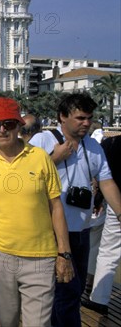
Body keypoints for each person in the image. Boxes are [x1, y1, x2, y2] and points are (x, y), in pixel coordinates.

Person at [0, 97, 73, 327]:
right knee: (3, 322)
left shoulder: (40, 158)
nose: (2, 130)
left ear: (19, 125)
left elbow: (56, 205)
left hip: (40, 257)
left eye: (8, 123)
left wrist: (63, 253)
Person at [29, 92, 121, 326]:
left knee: (73, 288)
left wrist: (120, 212)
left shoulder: (93, 146)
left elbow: (106, 181)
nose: (87, 123)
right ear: (62, 117)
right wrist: (54, 158)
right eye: (80, 118)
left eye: (89, 118)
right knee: (60, 291)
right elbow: (24, 178)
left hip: (80, 228)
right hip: (48, 230)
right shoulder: (42, 141)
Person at [83, 135, 121, 315]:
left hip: (115, 203)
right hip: (114, 203)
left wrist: (98, 199)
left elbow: (100, 177)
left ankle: (99, 298)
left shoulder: (110, 144)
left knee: (108, 252)